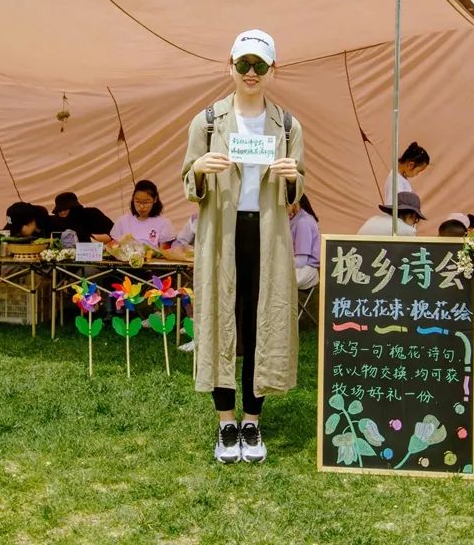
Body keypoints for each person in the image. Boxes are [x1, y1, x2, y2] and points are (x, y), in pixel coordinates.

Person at [182, 28, 304, 465]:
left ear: (273, 69)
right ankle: (225, 421)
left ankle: (252, 421)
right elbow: (187, 183)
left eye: (260, 65)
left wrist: (293, 178)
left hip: (268, 235)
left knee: (262, 324)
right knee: (219, 322)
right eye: (243, 64)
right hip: (221, 234)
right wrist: (199, 167)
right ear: (229, 66)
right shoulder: (208, 120)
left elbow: (297, 188)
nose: (251, 73)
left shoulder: (287, 125)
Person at [110, 180, 175, 248]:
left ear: (155, 199)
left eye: (146, 202)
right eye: (137, 201)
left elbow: (165, 252)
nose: (141, 206)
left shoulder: (164, 223)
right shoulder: (122, 221)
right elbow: (114, 247)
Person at [287, 189, 320, 289]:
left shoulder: (303, 222)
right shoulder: (295, 219)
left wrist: (278, 263)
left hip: (306, 269)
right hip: (296, 267)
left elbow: (301, 261)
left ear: (295, 203)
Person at [357, 191, 426, 236]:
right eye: (416, 219)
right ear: (412, 215)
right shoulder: (408, 231)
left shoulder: (372, 219)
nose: (414, 223)